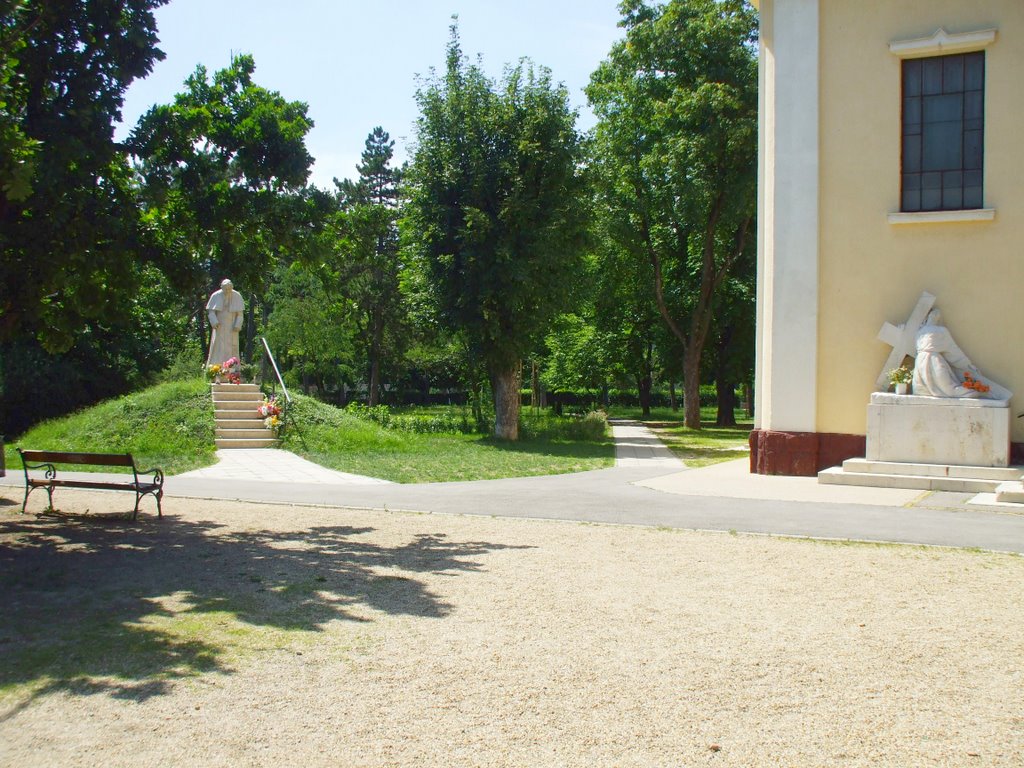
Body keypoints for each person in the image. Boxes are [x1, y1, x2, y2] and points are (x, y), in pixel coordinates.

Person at [912, 308, 1010, 400]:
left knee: (931, 388)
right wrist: (968, 366)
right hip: (933, 362)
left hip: (920, 363)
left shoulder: (919, 333)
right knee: (949, 389)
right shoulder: (940, 331)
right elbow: (953, 352)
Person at [205, 279, 245, 368]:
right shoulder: (216, 295)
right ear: (222, 288)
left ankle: (232, 368)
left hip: (232, 326)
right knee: (219, 347)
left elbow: (240, 314)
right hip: (220, 325)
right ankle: (216, 367)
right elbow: (211, 312)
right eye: (225, 289)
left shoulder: (237, 296)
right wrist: (214, 321)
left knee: (232, 347)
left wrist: (237, 325)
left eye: (229, 289)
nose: (227, 291)